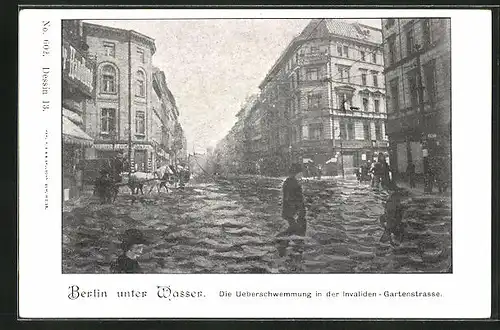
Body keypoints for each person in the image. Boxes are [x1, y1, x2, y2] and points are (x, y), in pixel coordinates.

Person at [279, 163, 306, 237]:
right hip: (293, 202)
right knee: (291, 216)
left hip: (293, 202)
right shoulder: (291, 181)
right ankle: (296, 229)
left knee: (290, 216)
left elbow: (294, 193)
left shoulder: (291, 181)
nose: (301, 175)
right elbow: (290, 193)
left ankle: (296, 229)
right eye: (300, 173)